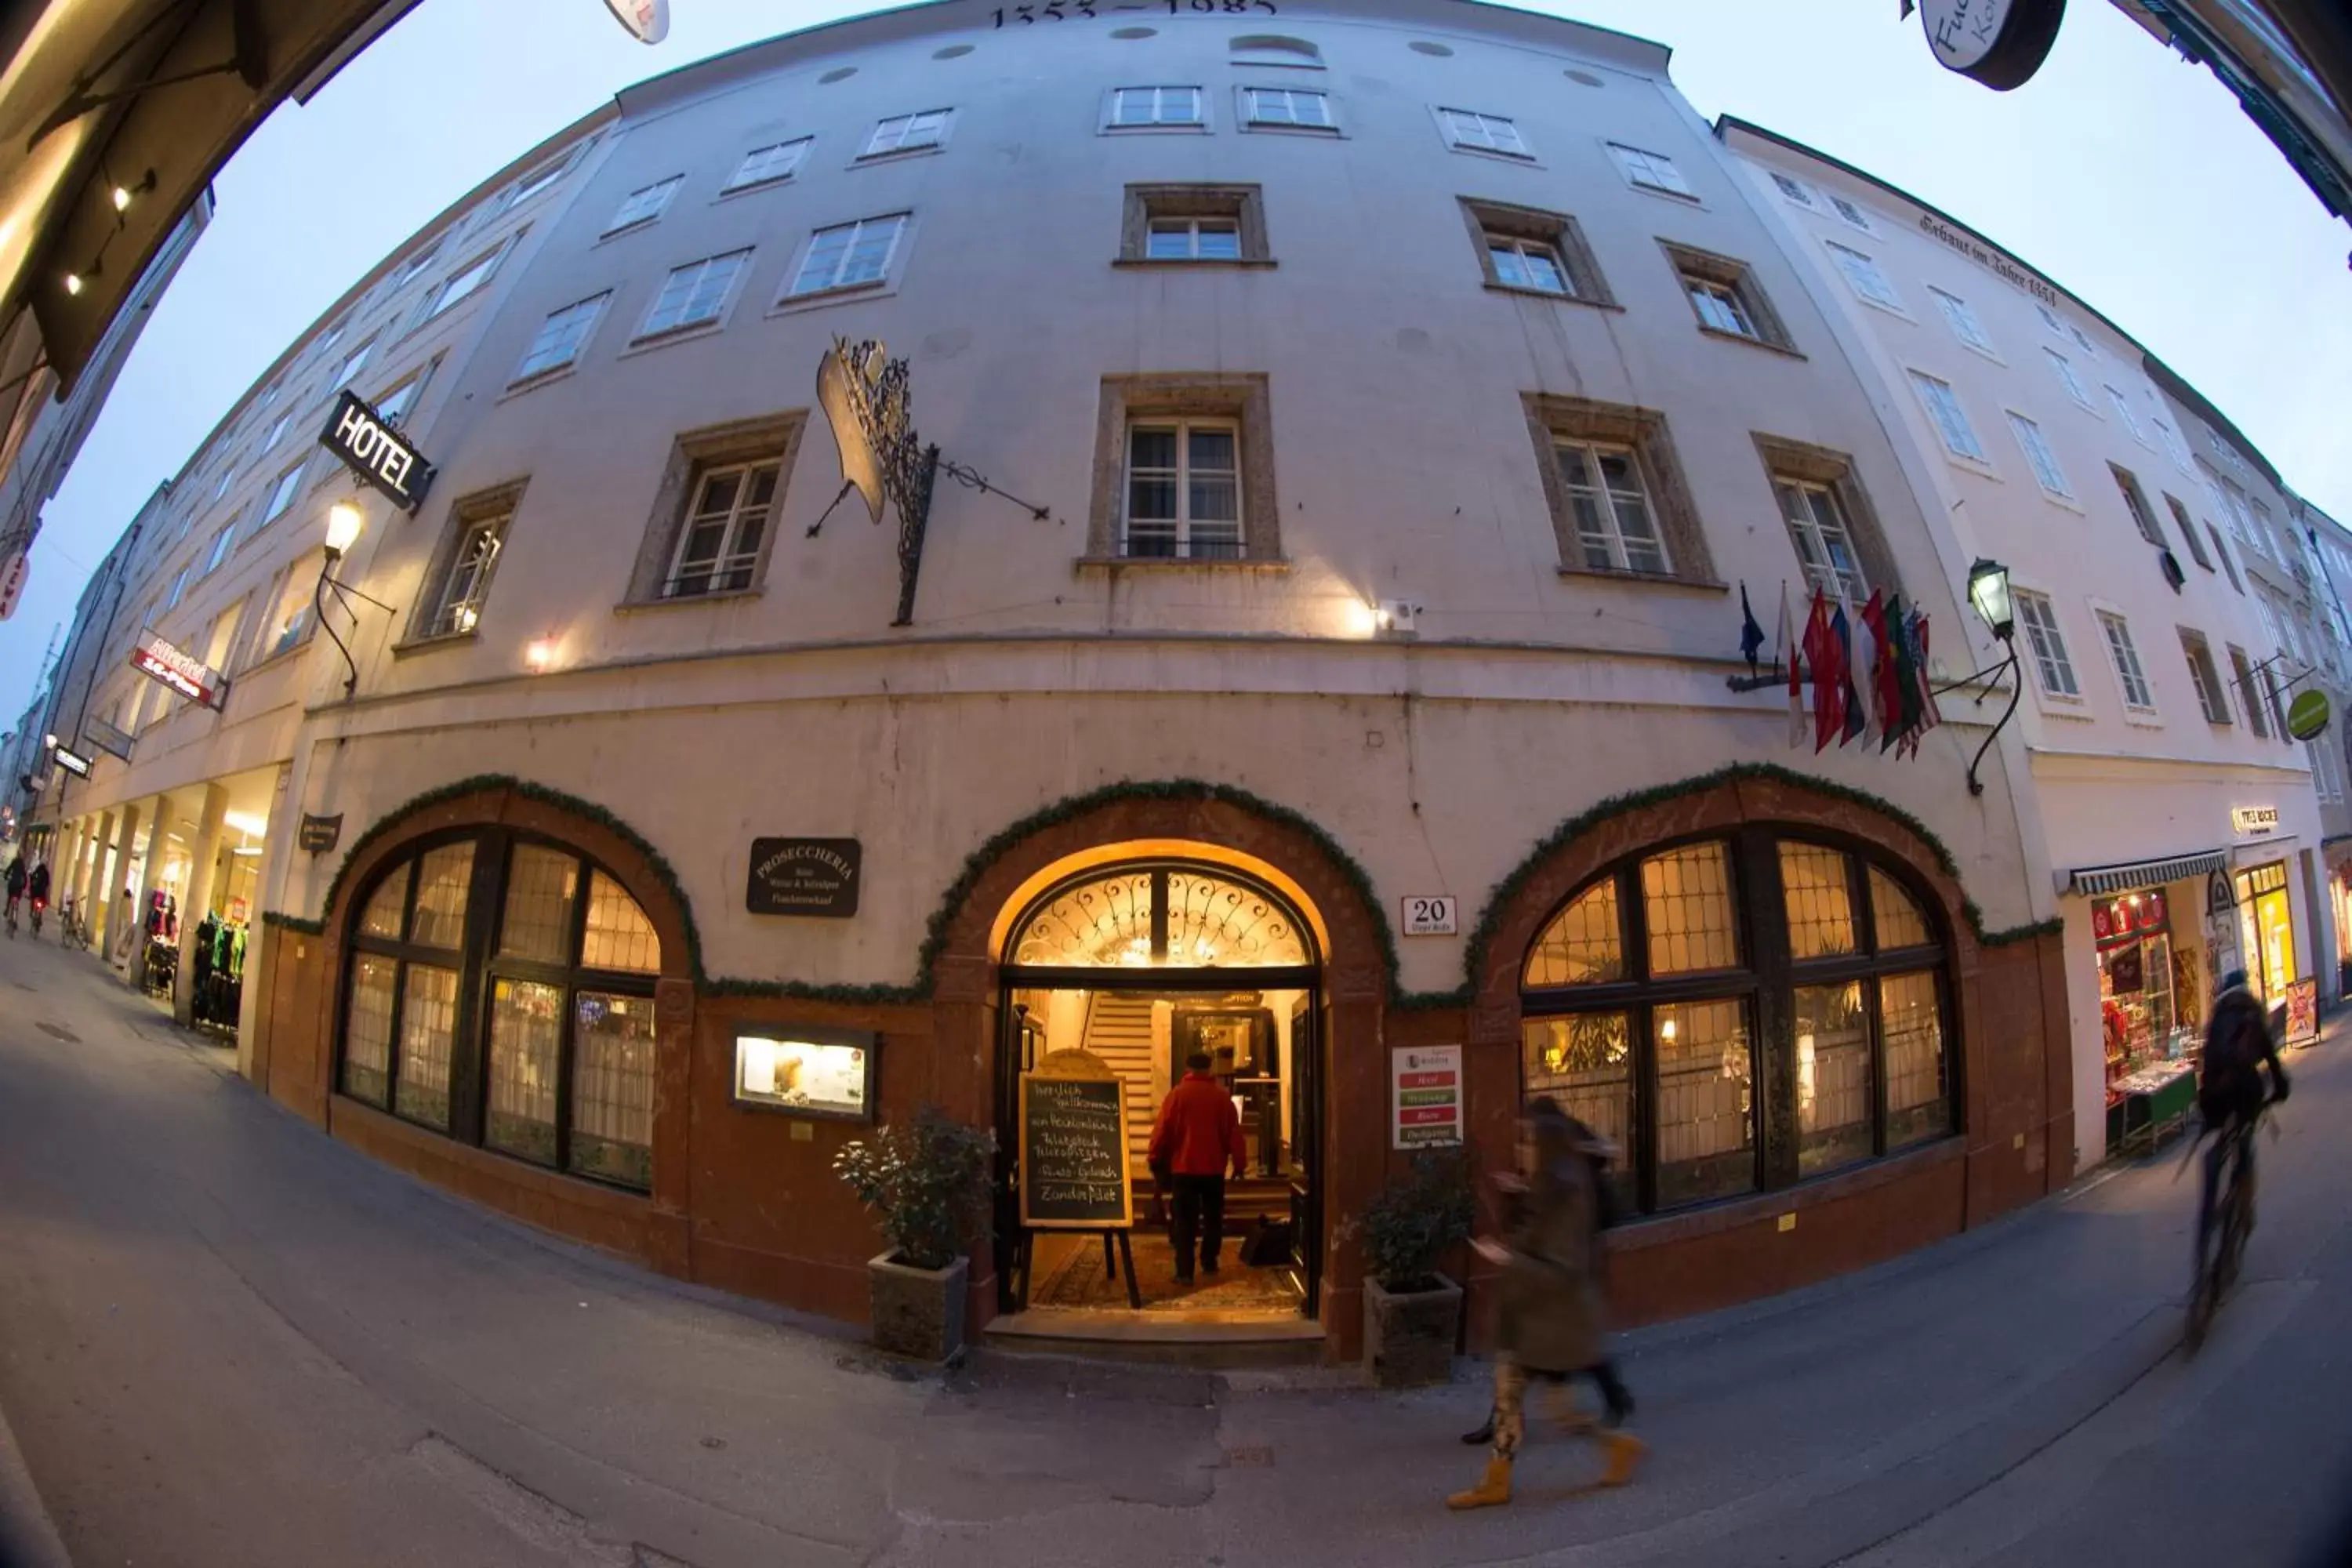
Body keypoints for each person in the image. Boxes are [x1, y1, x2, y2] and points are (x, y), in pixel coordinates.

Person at [1449, 1099, 1643, 1511]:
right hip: (1530, 1318)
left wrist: (1506, 1259)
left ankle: (1617, 1445)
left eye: (1528, 1140)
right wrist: (1512, 1197)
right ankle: (1496, 1480)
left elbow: (1563, 1269)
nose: (1521, 1149)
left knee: (1556, 1409)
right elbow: (1523, 1235)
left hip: (1555, 1321)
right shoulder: (1543, 1185)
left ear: (1549, 1142)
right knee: (1510, 1399)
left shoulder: (1569, 1194)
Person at [2194, 968, 2290, 1279]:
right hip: (2246, 1092)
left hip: (2214, 1096)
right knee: (2245, 1147)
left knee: (2218, 1139)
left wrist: (2207, 1111)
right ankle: (2243, 1203)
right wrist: (2279, 1091)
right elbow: (2273, 1064)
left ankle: (2207, 1220)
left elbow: (2206, 1066)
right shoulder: (2252, 1014)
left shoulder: (2216, 1019)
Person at [1147, 1049, 1246, 1285]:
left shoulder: (1177, 1096)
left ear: (1187, 1068)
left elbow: (1163, 1130)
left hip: (1184, 1168)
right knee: (1213, 1218)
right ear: (1210, 1068)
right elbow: (1234, 1135)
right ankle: (1210, 1262)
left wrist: (1154, 1157)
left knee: (1184, 1221)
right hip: (1213, 1169)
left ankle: (1184, 1271)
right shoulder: (1223, 1097)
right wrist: (1240, 1165)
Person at [26, 860, 50, 935]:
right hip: (42, 894)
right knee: (40, 908)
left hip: (36, 892)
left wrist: (32, 884)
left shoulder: (37, 871)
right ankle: (39, 919)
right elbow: (48, 883)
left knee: (33, 901)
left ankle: (31, 912)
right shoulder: (46, 873)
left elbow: (32, 877)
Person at [4, 855, 24, 931]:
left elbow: (9, 869)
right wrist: (24, 885)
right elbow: (24, 876)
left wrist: (5, 876)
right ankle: (15, 919)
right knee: (16, 901)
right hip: (19, 886)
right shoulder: (23, 865)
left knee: (10, 897)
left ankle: (7, 910)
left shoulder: (14, 862)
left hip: (12, 884)